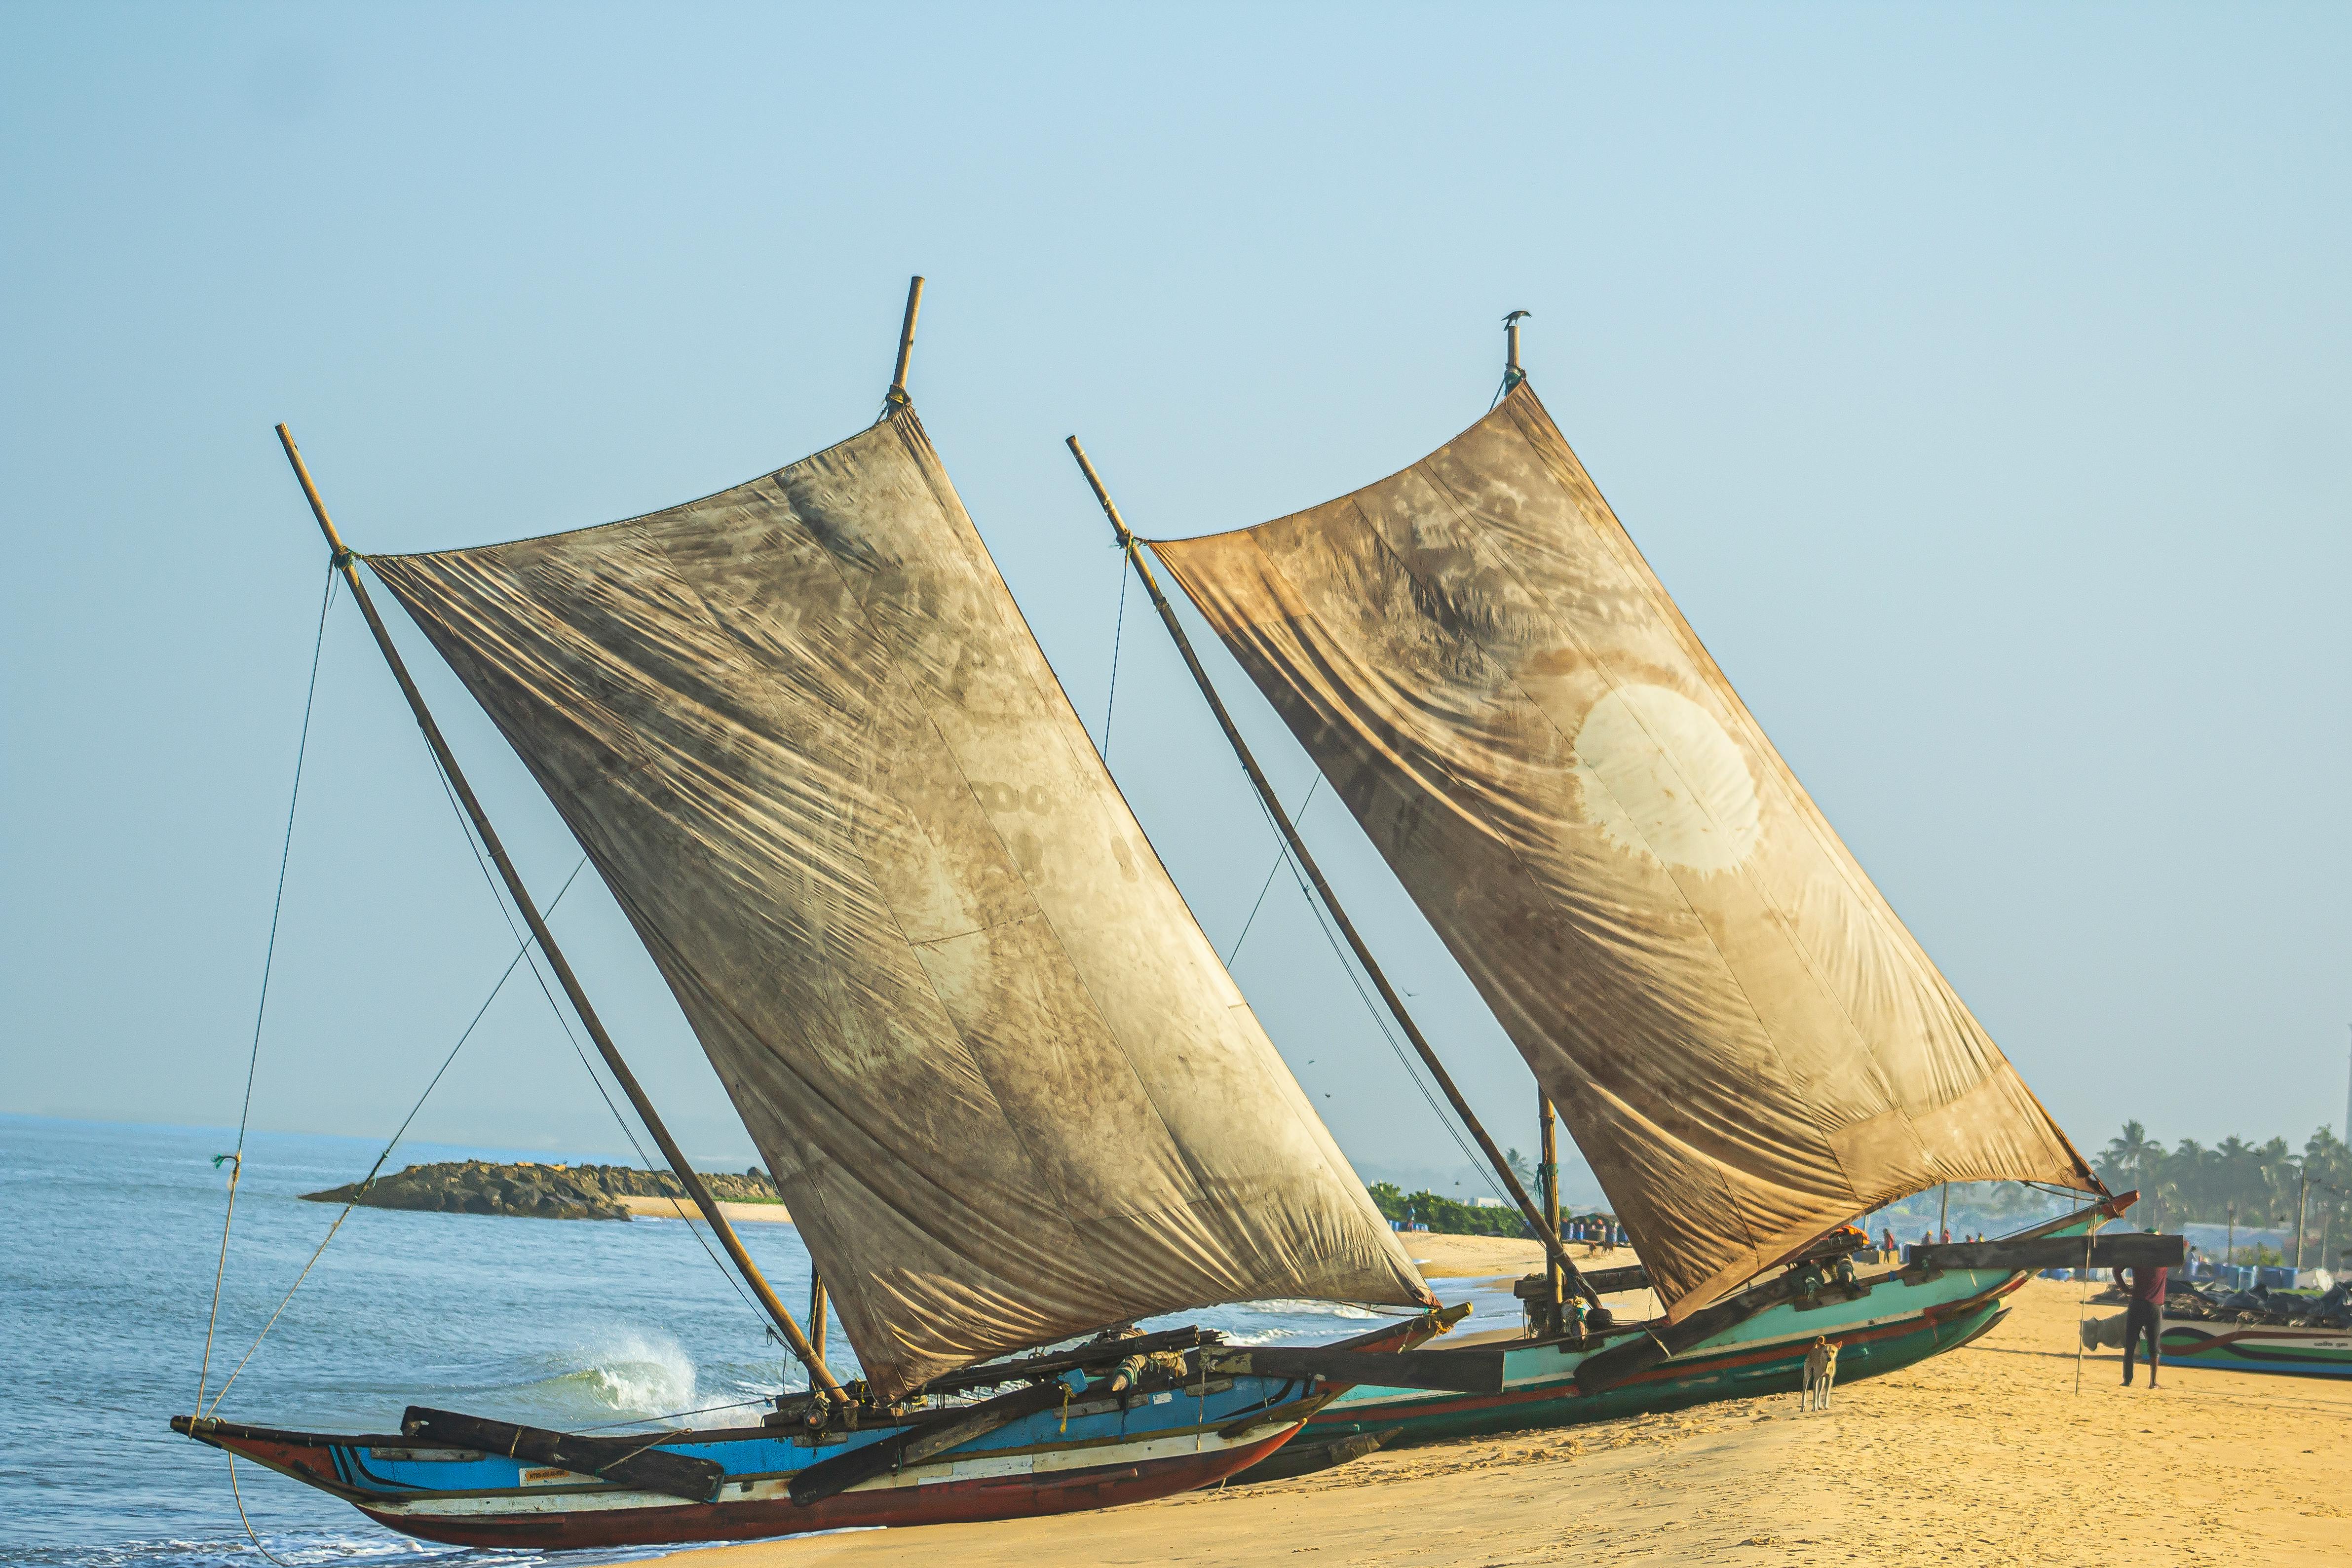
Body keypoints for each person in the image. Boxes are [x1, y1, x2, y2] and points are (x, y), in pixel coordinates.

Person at [2119, 1238, 2167, 1389]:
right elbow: (2184, 1246)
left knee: (2131, 1343)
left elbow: (2116, 1270)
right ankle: (2152, 1382)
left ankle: (2127, 1380)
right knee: (2154, 1345)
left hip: (2137, 1304)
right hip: (2154, 1306)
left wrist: (2125, 1289)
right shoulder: (2164, 1258)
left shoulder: (2137, 1256)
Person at [1800, 1336, 1837, 1412]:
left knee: (1825, 1384)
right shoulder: (1817, 1354)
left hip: (1828, 1368)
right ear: (1822, 1350)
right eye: (1826, 1352)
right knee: (1807, 1382)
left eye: (1833, 1352)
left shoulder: (1832, 1362)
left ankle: (1826, 1404)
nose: (1829, 1356)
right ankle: (1807, 1404)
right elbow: (1815, 1381)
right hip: (1812, 1360)